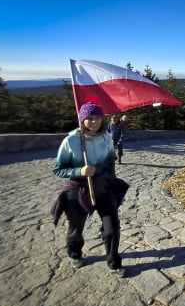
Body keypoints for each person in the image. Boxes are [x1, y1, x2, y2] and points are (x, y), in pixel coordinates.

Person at [51, 102, 129, 277]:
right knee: (76, 227)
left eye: (98, 117)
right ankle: (74, 253)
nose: (94, 121)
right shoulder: (71, 140)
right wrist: (80, 171)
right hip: (77, 189)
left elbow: (109, 164)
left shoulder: (107, 138)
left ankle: (114, 262)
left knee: (112, 227)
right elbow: (58, 169)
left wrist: (114, 187)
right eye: (90, 118)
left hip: (103, 187)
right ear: (82, 119)